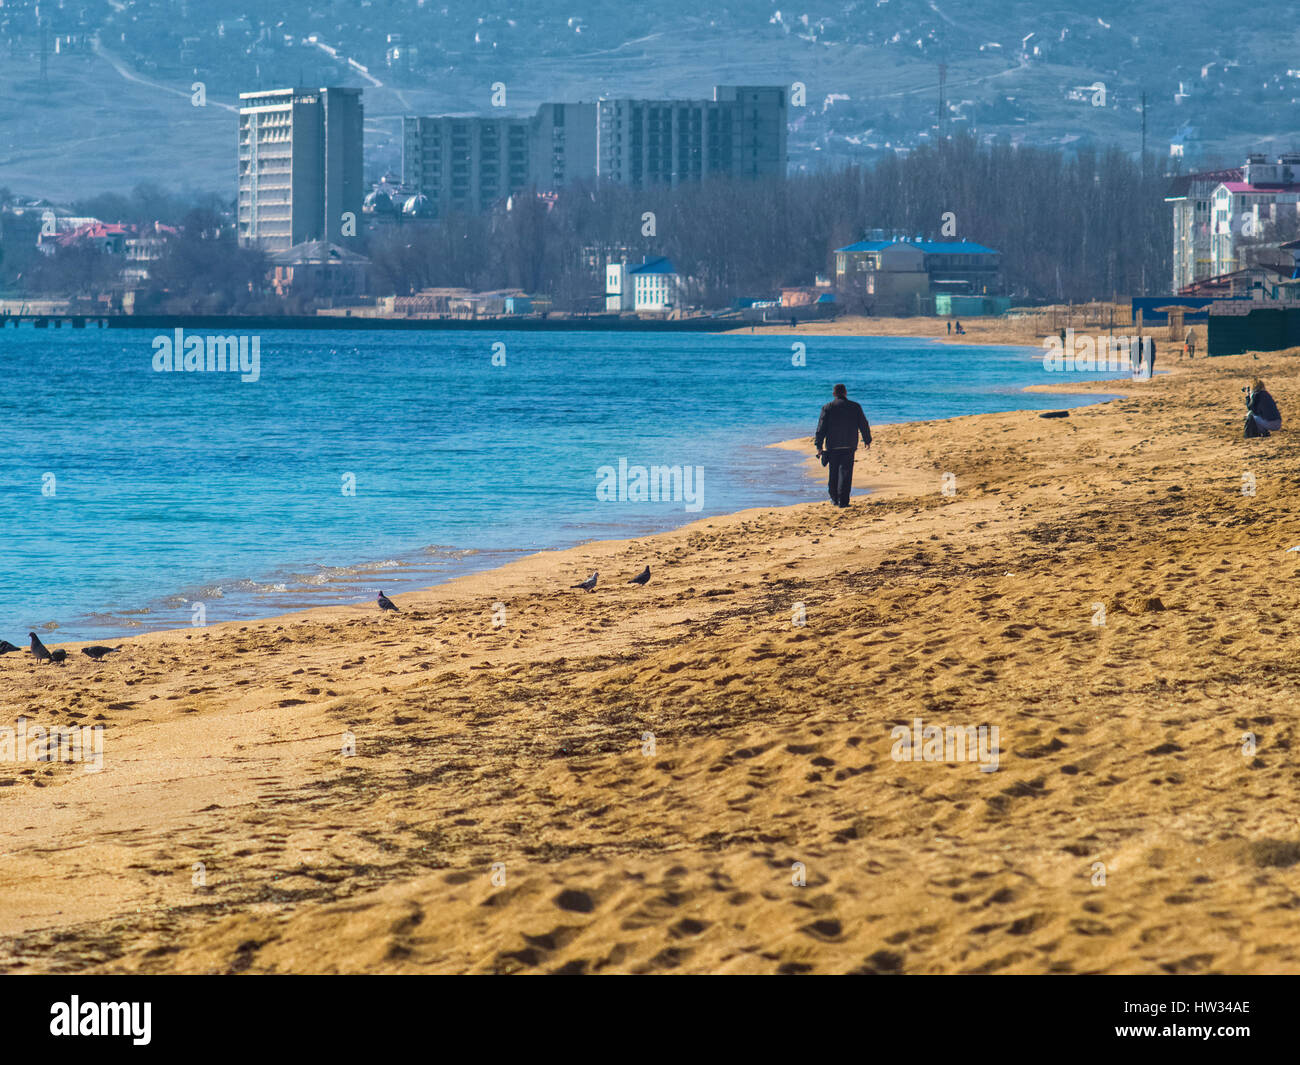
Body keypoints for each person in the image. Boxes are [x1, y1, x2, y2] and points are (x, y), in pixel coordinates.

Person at [815, 384, 872, 508]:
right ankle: (844, 501)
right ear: (845, 392)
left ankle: (834, 499)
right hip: (849, 444)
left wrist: (819, 445)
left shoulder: (827, 407)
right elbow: (863, 424)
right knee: (846, 473)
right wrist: (867, 439)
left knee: (833, 473)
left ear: (834, 394)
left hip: (832, 446)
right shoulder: (855, 406)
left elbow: (821, 428)